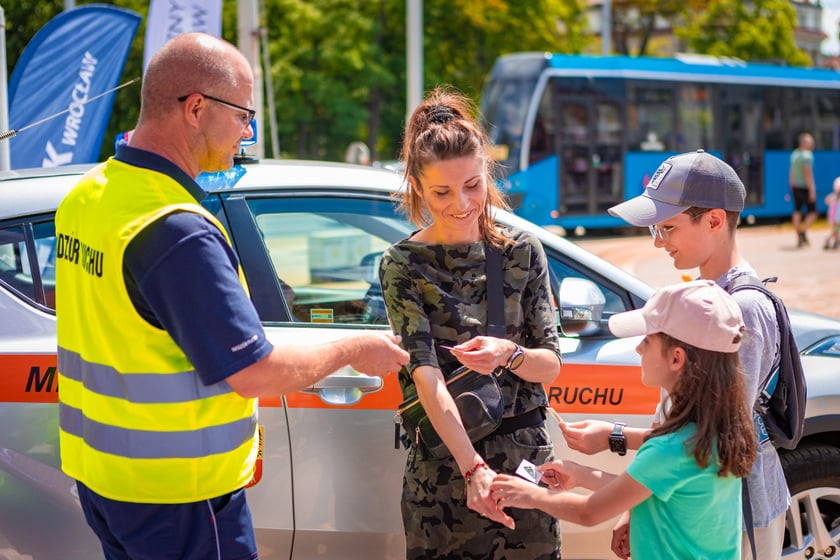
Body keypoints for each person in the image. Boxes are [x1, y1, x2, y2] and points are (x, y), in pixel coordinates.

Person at [54, 33, 408, 560]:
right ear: (196, 108)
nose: (247, 132)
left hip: (107, 484)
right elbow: (254, 372)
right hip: (182, 500)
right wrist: (354, 350)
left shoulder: (88, 195)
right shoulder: (176, 231)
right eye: (244, 115)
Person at [379, 86, 563, 559]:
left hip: (525, 474)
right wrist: (472, 470)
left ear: (487, 175)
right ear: (417, 186)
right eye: (441, 191)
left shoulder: (522, 253)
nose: (461, 203)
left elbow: (551, 366)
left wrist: (511, 354)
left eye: (473, 185)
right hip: (446, 478)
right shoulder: (402, 265)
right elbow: (427, 378)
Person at [593, 149, 789, 559]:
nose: (660, 243)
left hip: (737, 512)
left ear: (715, 220)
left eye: (668, 227)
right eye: (655, 231)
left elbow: (713, 434)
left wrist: (616, 441)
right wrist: (638, 503)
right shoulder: (701, 298)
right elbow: (680, 413)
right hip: (697, 503)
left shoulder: (743, 307)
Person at [491, 280, 757, 559]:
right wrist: (581, 475)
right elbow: (649, 490)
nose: (639, 348)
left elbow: (589, 511)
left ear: (677, 358)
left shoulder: (670, 449)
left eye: (648, 340)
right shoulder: (710, 433)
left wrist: (528, 494)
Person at [790, 131, 818, 247]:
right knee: (813, 213)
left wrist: (791, 184)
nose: (812, 144)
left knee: (797, 211)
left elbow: (791, 172)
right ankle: (803, 232)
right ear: (803, 143)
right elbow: (808, 174)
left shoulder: (795, 154)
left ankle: (798, 234)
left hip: (796, 187)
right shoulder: (807, 156)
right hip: (805, 187)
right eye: (810, 141)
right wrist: (812, 190)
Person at [824, 176, 840, 251]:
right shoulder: (835, 198)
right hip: (836, 217)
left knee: (837, 229)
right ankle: (829, 238)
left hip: (835, 217)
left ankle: (835, 241)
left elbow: (827, 200)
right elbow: (827, 200)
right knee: (836, 229)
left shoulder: (834, 197)